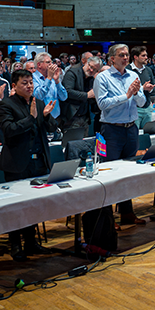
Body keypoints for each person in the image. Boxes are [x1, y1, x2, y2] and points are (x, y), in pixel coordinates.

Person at [0, 69, 56, 261]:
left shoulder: (37, 103)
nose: (30, 86)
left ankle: (31, 242)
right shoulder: (6, 105)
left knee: (34, 204)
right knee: (15, 206)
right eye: (25, 83)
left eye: (31, 82)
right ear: (14, 86)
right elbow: (9, 130)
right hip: (17, 163)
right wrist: (31, 118)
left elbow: (51, 129)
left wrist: (46, 116)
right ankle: (15, 246)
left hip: (38, 161)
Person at [93, 43, 148, 226]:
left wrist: (137, 93)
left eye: (126, 55)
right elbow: (102, 104)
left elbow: (141, 102)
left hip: (131, 128)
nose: (125, 58)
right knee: (109, 174)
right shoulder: (102, 78)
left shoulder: (133, 75)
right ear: (112, 59)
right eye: (121, 55)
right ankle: (107, 218)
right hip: (111, 130)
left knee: (128, 173)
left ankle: (127, 213)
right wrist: (126, 95)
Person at [61, 55, 102, 134]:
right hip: (71, 116)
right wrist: (87, 95)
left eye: (94, 70)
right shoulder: (72, 72)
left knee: (83, 144)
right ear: (86, 63)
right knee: (71, 144)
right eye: (90, 66)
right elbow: (67, 92)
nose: (91, 70)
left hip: (84, 117)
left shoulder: (91, 78)